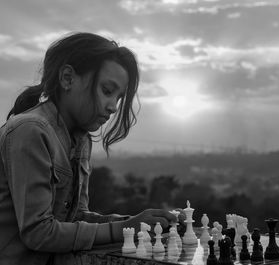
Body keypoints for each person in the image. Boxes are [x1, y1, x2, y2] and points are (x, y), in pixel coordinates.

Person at [0, 32, 179, 265]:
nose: (113, 107)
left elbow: (74, 220)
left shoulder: (81, 138)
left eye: (118, 97)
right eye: (107, 91)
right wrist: (123, 228)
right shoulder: (31, 130)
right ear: (67, 78)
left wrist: (135, 224)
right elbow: (39, 233)